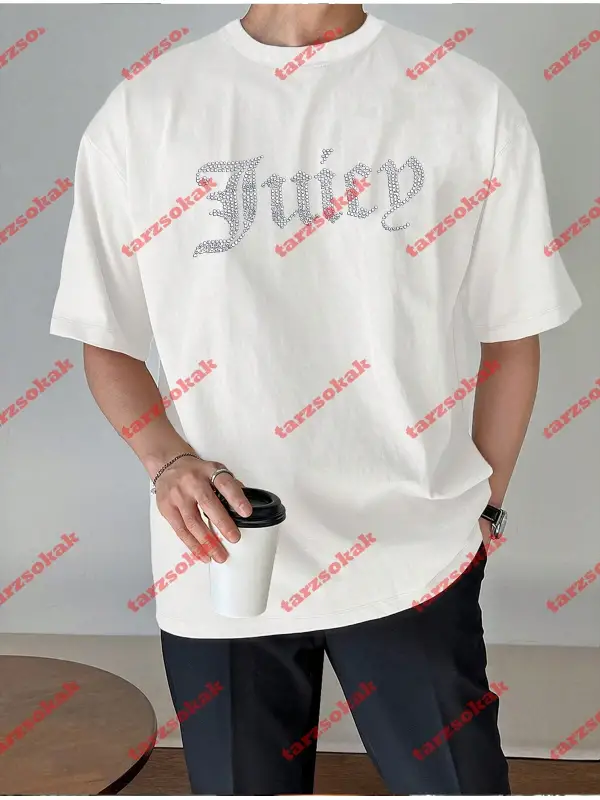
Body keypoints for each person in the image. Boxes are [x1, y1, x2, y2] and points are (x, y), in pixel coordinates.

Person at [50, 3, 581, 795]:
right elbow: (107, 339)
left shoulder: (465, 100)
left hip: (411, 551)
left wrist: (487, 511)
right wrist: (168, 464)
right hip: (224, 552)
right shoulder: (145, 111)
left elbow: (512, 333)